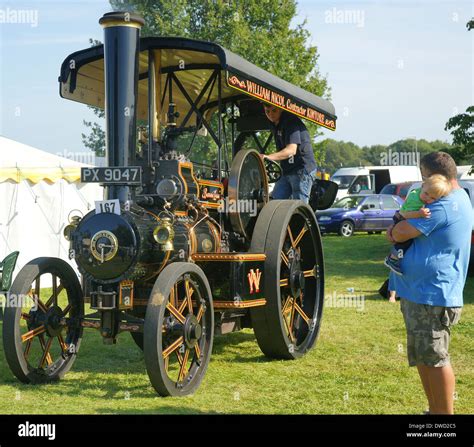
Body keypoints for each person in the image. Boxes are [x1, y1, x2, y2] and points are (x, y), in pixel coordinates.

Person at [387, 152, 472, 415]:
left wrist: (393, 230)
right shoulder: (457, 197)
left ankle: (444, 418)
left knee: (436, 359)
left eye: (424, 177)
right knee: (425, 357)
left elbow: (399, 232)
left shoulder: (443, 205)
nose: (422, 183)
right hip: (422, 293)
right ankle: (435, 412)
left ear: (437, 176)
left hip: (431, 295)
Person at [384, 174, 453, 275]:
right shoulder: (414, 198)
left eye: (433, 198)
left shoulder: (422, 194)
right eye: (426, 194)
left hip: (405, 216)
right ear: (422, 185)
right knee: (404, 242)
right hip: (402, 217)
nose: (427, 198)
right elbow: (405, 214)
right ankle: (392, 259)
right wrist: (419, 214)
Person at [261, 104, 317, 203]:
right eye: (267, 112)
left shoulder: (291, 122)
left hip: (302, 169)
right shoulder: (275, 124)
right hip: (287, 170)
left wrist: (267, 157)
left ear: (281, 109)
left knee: (298, 206)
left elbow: (291, 150)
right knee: (273, 204)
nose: (270, 114)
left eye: (274, 111)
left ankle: (301, 218)